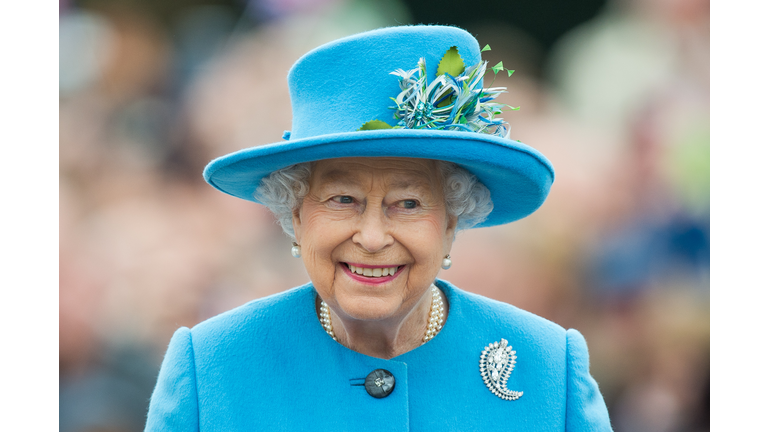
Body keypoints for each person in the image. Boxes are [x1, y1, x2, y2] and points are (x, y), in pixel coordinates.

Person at [144, 25, 613, 431]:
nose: (371, 238)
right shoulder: (211, 366)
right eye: (343, 200)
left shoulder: (549, 367)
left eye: (408, 203)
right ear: (295, 216)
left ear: (452, 220)